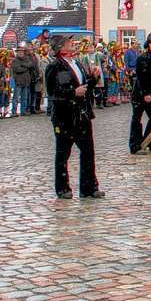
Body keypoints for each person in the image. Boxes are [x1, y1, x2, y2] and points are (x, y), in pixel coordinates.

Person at [45, 33, 104, 200]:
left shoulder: (77, 63)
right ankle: (63, 188)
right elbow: (53, 94)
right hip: (65, 117)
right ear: (60, 48)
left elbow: (85, 88)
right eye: (69, 42)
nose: (73, 44)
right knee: (63, 154)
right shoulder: (55, 66)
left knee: (88, 152)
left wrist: (93, 77)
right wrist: (73, 93)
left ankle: (89, 187)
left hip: (82, 114)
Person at [129, 33, 151, 154]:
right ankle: (135, 145)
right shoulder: (143, 57)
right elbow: (143, 77)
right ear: (149, 45)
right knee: (137, 119)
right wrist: (146, 93)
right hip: (141, 94)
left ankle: (148, 142)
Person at [11, 44, 33, 116]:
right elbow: (18, 70)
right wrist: (26, 68)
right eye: (19, 52)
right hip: (18, 82)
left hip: (26, 81)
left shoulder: (26, 59)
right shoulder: (15, 60)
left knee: (24, 98)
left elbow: (31, 64)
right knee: (16, 98)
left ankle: (23, 111)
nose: (20, 53)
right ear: (17, 52)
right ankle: (14, 112)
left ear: (24, 52)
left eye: (22, 52)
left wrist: (23, 65)